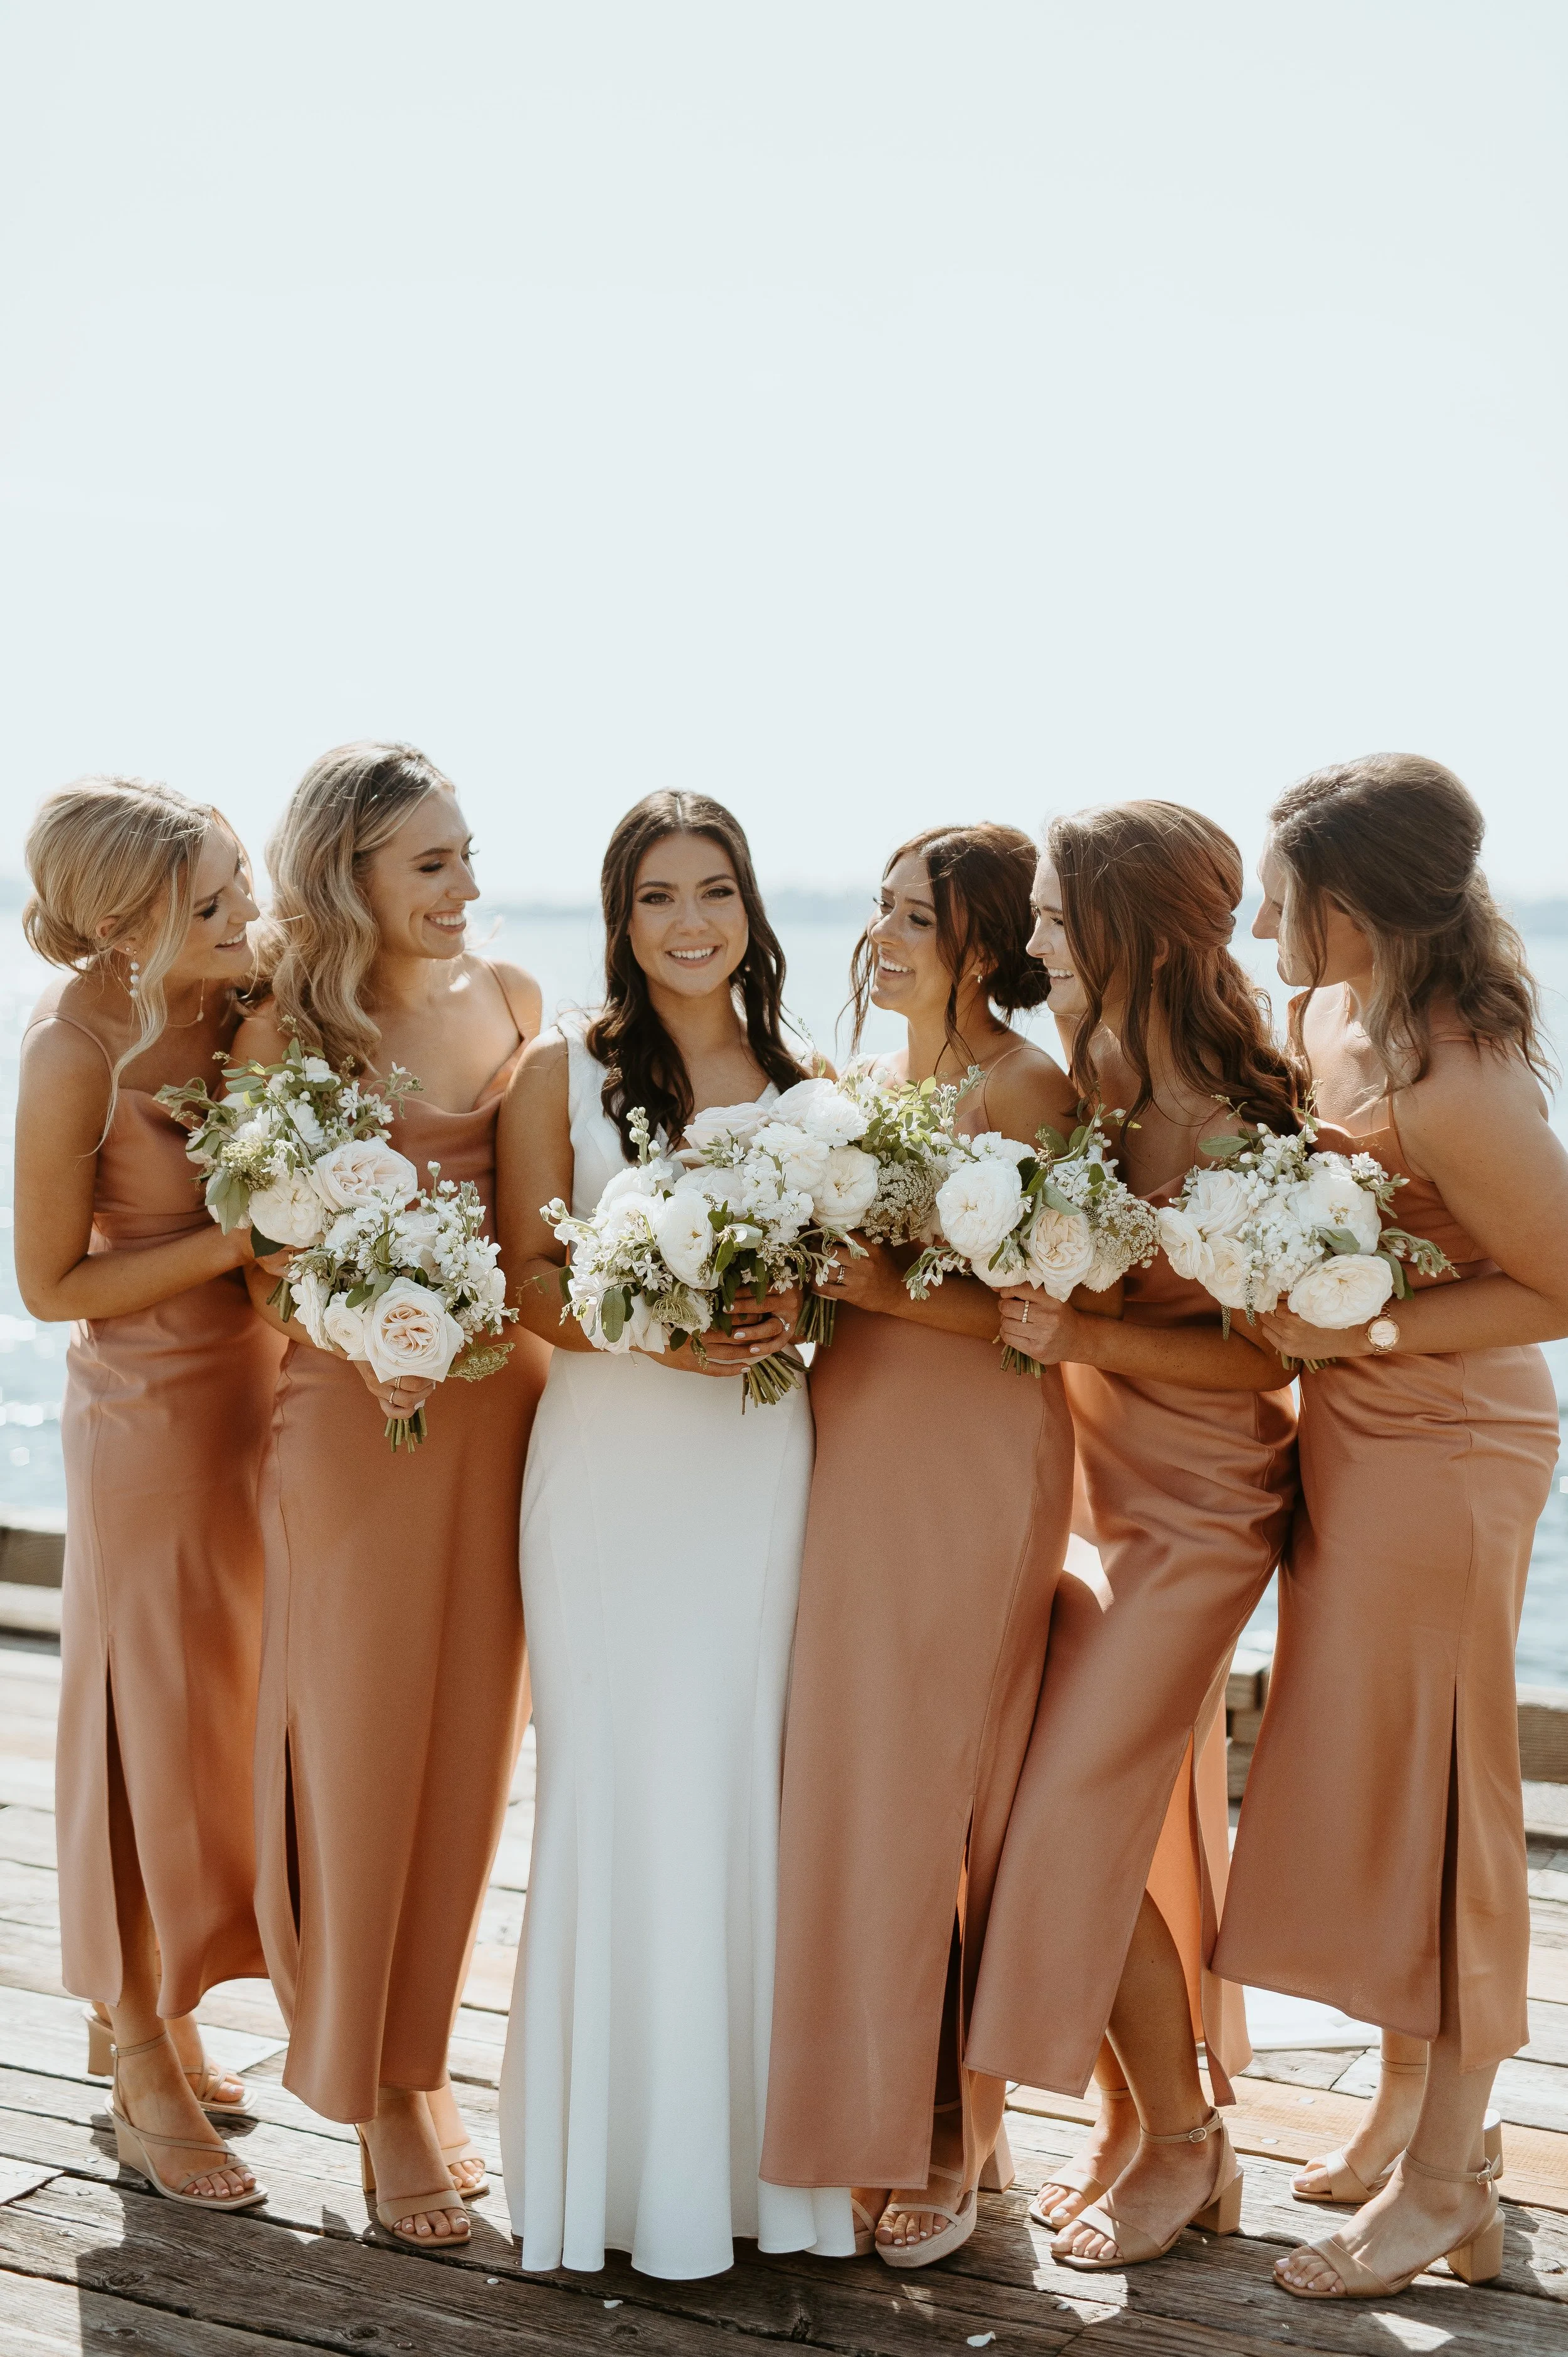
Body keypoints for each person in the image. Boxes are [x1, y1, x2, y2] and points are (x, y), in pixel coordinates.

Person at [1214, 754, 1568, 2301]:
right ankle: (1405, 2108)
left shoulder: (1457, 1068)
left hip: (1455, 1443)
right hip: (1359, 1438)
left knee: (1448, 1797)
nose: (1256, 914)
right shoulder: (1319, 1019)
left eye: (1278, 894)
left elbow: (1556, 1285)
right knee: (1384, 1776)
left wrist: (1341, 1335)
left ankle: (1448, 2184)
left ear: (1346, 907)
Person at [495, 790, 854, 2280]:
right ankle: (604, 2179)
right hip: (608, 1469)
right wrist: (655, 1332)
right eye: (656, 896)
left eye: (713, 891)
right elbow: (528, 1284)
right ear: (618, 915)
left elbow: (846, 1289)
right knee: (618, 1781)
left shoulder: (812, 1084)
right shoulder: (555, 1070)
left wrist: (799, 1313)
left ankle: (766, 2173)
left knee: (743, 1791)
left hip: (754, 1469)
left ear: (752, 910)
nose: (689, 922)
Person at [958, 802, 1300, 2272]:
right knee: (1093, 1820)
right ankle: (1132, 2115)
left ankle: (1182, 2137)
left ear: (1117, 927)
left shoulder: (1236, 1117)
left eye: (1048, 915)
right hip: (1093, 1490)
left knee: (1059, 1823)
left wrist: (1088, 1325)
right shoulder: (1087, 1076)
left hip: (1206, 1512)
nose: (1034, 937)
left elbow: (1269, 1360)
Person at [236, 742, 549, 2250]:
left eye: (467, 858)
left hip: (503, 1411)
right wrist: (360, 1344)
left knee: (469, 1755)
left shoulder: (512, 1002)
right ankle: (371, 2103)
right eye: (431, 863)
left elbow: (539, 1213)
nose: (464, 889)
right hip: (351, 1423)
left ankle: (416, 2066)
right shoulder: (282, 1027)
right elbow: (268, 1255)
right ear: (346, 870)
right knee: (360, 1753)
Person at [761, 824, 1078, 2269]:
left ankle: (960, 2126)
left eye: (918, 920)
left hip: (972, 1459)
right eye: (881, 909)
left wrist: (878, 1285)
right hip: (851, 1449)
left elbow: (1036, 1310)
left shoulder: (1026, 1088)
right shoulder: (866, 1087)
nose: (882, 937)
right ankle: (863, 2104)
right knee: (859, 1786)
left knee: (955, 1786)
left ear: (990, 946)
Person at [15, 777, 280, 2211]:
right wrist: (236, 1243)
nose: (250, 914)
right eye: (215, 899)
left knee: (220, 1720)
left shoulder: (243, 1004)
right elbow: (50, 1283)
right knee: (143, 1719)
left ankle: (167, 2004)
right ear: (124, 927)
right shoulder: (77, 1053)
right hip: (150, 1415)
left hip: (268, 1401)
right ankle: (134, 2060)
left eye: (240, 883)